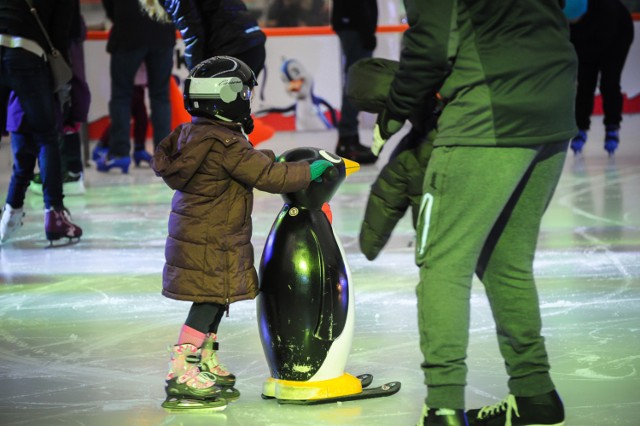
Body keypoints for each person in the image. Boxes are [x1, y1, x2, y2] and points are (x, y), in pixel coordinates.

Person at [371, 1, 577, 425]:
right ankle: (535, 392)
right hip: (554, 105)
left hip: (487, 113)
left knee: (443, 263)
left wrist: (393, 112)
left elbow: (430, 45)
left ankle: (443, 408)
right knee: (507, 263)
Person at [151, 56, 334, 411]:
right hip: (211, 241)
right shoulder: (225, 144)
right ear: (228, 96)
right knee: (207, 302)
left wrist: (270, 160)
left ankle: (202, 361)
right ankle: (181, 370)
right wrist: (309, 170)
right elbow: (269, 178)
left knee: (216, 299)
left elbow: (250, 163)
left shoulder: (197, 135)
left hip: (203, 236)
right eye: (245, 92)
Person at [0, 0, 83, 245]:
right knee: (47, 137)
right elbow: (60, 35)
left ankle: (11, 214)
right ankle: (55, 215)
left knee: (22, 134)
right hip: (27, 54)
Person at [98, 0, 175, 173]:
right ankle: (163, 156)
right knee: (161, 96)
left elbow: (109, 5)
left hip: (128, 31)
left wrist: (121, 17)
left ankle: (119, 154)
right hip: (162, 31)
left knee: (121, 96)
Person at [32, 7, 91, 196]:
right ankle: (69, 171)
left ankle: (64, 172)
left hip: (55, 45)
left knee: (59, 107)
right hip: (63, 41)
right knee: (65, 106)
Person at [566, 0, 634, 156]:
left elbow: (597, 50)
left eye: (575, 20)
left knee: (609, 82)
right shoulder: (568, 22)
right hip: (587, 40)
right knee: (584, 84)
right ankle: (581, 127)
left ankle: (612, 125)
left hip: (618, 35)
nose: (572, 22)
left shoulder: (607, 11)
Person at [158, 0, 267, 77]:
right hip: (253, 44)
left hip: (231, 50)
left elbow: (192, 34)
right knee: (236, 106)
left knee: (217, 106)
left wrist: (195, 73)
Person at [331, 0, 378, 165]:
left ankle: (350, 137)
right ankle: (347, 139)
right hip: (355, 26)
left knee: (356, 81)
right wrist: (366, 32)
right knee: (356, 82)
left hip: (354, 25)